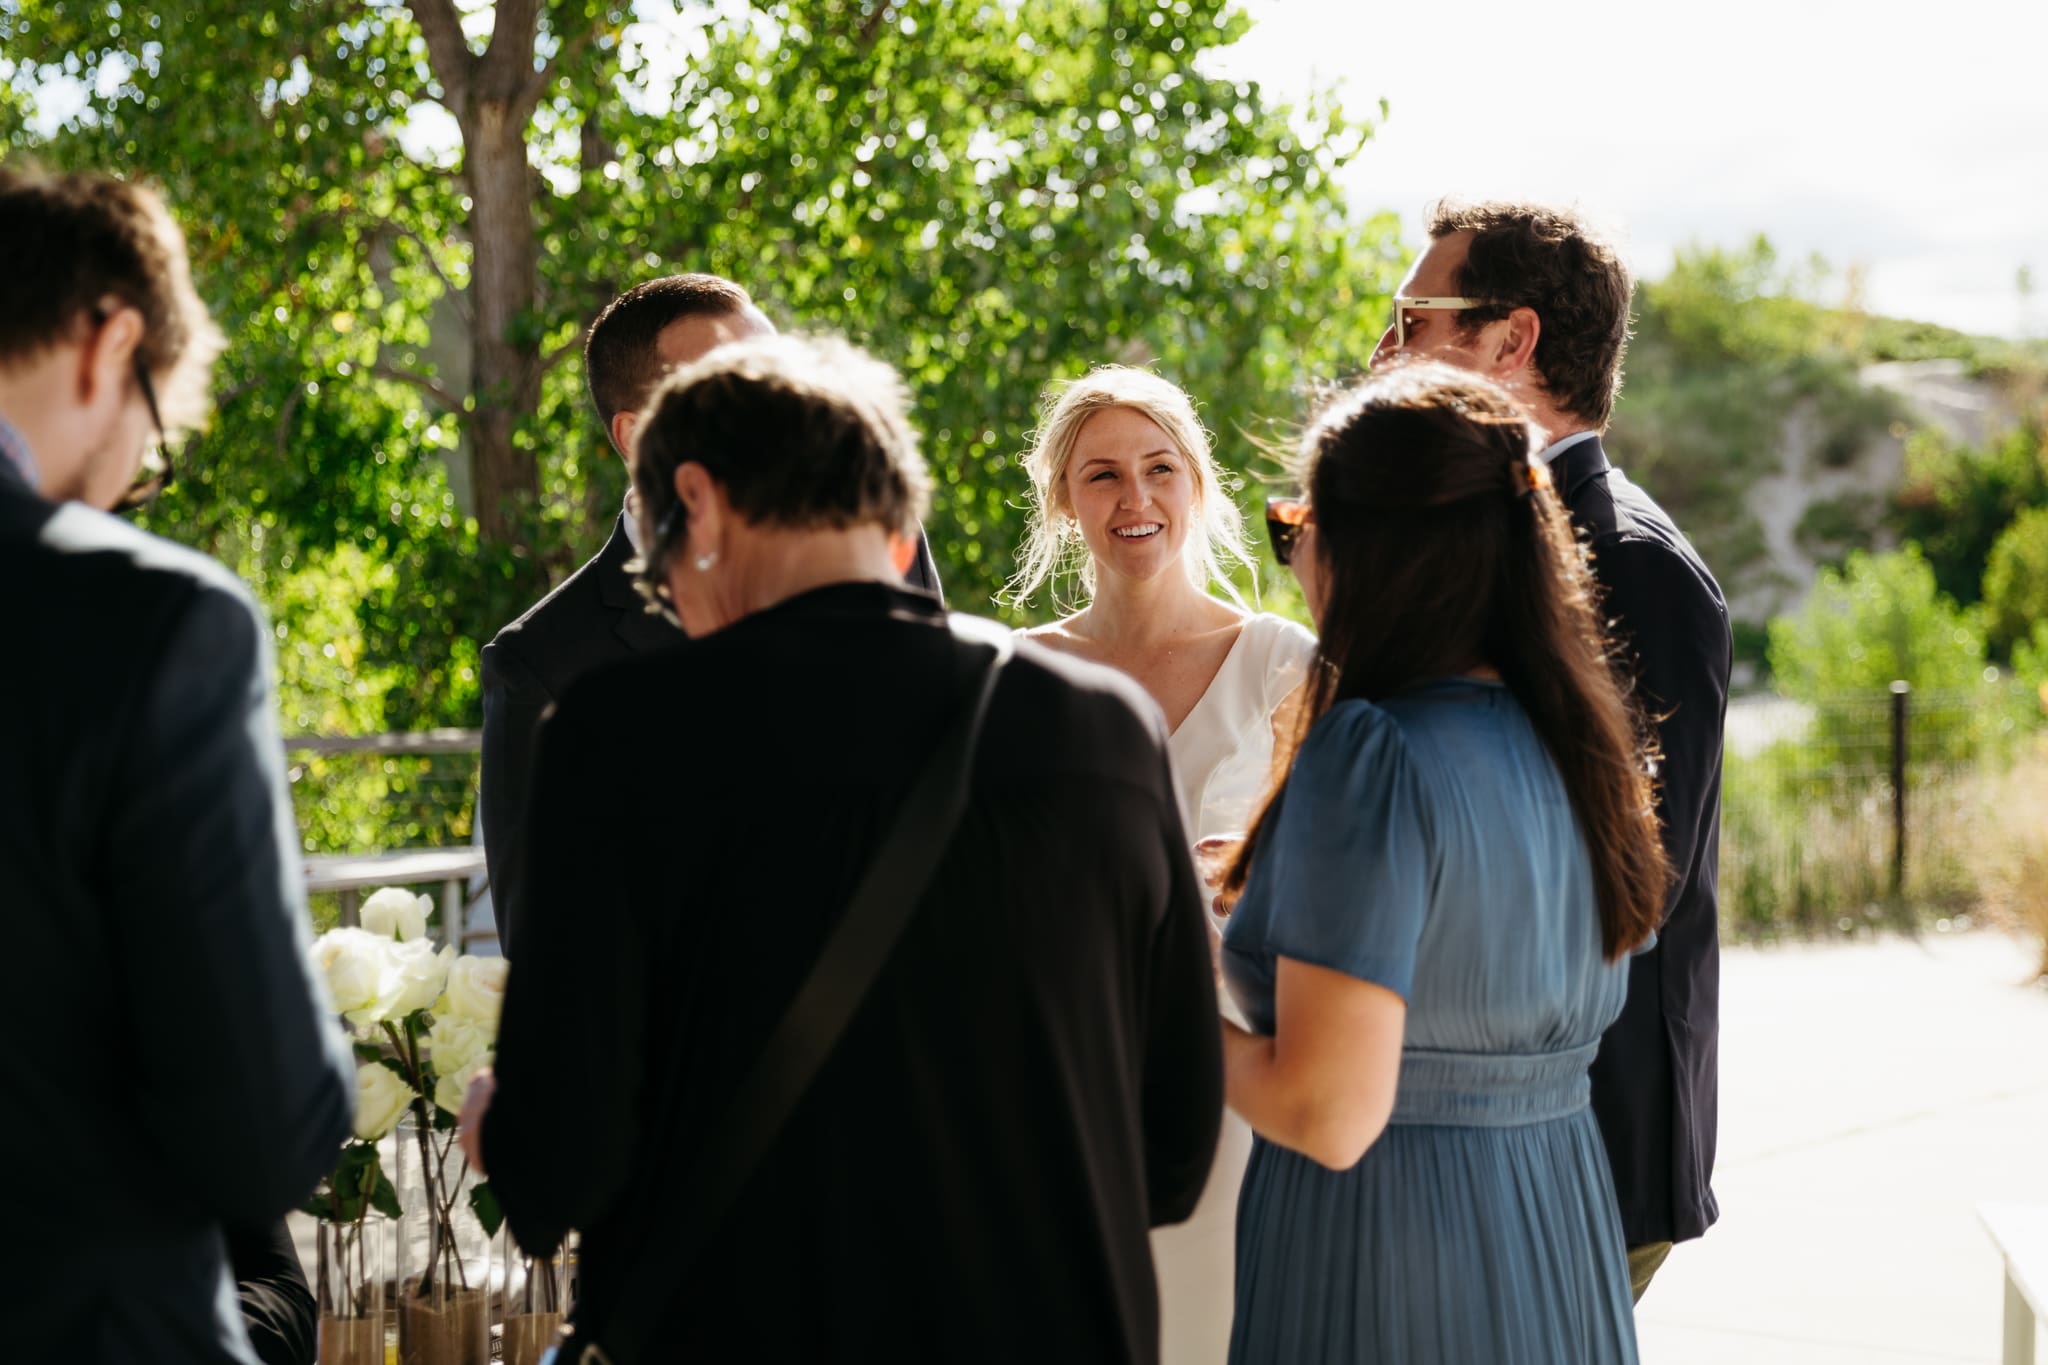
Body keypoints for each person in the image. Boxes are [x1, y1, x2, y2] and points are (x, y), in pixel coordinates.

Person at [461, 335, 1223, 1361]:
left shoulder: (621, 737)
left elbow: (560, 1170)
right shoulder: (1101, 727)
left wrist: (494, 1124)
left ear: (698, 499)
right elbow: (1172, 1152)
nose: (666, 593)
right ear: (894, 511)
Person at [1217, 363, 1673, 1363]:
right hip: (1554, 1241)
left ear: (1361, 549)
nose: (1297, 559)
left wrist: (1148, 982)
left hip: (1389, 1259)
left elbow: (1327, 1112)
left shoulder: (1370, 754)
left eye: (1298, 527)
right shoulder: (1580, 751)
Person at [0, 163, 352, 1362]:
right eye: (151, 444)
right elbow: (263, 1132)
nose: (129, 491)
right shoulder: (144, 621)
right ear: (110, 344)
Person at [1372, 199, 1732, 1298]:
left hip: (1570, 1144)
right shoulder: (1504, 535)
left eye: (1410, 318)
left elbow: (1622, 886)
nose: (1381, 351)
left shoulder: (1630, 568)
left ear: (1510, 341)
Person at [477, 274, 943, 952]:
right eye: (734, 385)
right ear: (638, 437)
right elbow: (551, 946)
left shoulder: (882, 549)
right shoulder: (542, 666)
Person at [1011, 364, 1315, 1364]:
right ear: (1061, 498)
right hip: (1064, 1070)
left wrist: (1260, 876)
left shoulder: (1284, 662)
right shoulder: (1011, 674)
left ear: (1195, 483)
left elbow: (1342, 876)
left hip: (1232, 1074)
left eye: (1157, 468)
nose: (1133, 499)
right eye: (1100, 475)